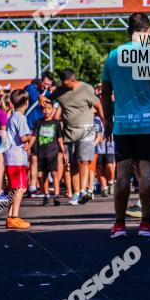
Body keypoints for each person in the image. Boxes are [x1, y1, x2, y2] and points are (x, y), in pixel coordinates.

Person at [101, 13, 150, 238]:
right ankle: (146, 223)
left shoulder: (113, 56)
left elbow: (105, 92)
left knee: (122, 174)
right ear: (148, 30)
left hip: (123, 126)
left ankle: (119, 225)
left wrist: (107, 120)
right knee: (147, 173)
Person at [43, 69, 104, 205]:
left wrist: (106, 123)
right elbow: (47, 100)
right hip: (70, 131)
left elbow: (98, 105)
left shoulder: (86, 88)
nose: (66, 87)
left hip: (87, 128)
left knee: (84, 160)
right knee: (73, 164)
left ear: (74, 79)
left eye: (68, 84)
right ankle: (76, 193)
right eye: (63, 84)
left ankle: (83, 191)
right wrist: (42, 98)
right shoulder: (60, 90)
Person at [4, 89, 33, 230]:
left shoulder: (11, 117)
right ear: (26, 103)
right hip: (17, 158)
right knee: (20, 188)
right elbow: (23, 137)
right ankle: (14, 217)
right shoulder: (21, 118)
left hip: (10, 157)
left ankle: (10, 216)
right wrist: (32, 136)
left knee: (14, 188)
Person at [33, 101, 64, 206]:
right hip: (41, 152)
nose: (47, 111)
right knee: (42, 175)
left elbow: (59, 138)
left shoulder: (56, 123)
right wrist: (30, 148)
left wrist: (63, 151)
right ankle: (46, 195)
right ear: (42, 110)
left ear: (52, 110)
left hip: (53, 152)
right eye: (45, 108)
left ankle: (56, 195)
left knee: (54, 173)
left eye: (49, 108)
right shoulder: (38, 122)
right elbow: (34, 136)